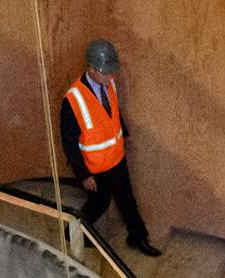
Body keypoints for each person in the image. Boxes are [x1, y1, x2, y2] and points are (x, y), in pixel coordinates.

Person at [59, 38, 160, 257]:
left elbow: (112, 113)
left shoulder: (109, 84)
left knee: (127, 199)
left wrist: (124, 133)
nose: (110, 76)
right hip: (94, 167)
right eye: (105, 73)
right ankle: (72, 231)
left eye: (111, 72)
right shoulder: (73, 99)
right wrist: (84, 175)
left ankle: (138, 237)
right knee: (99, 202)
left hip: (116, 159)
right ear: (91, 68)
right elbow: (68, 143)